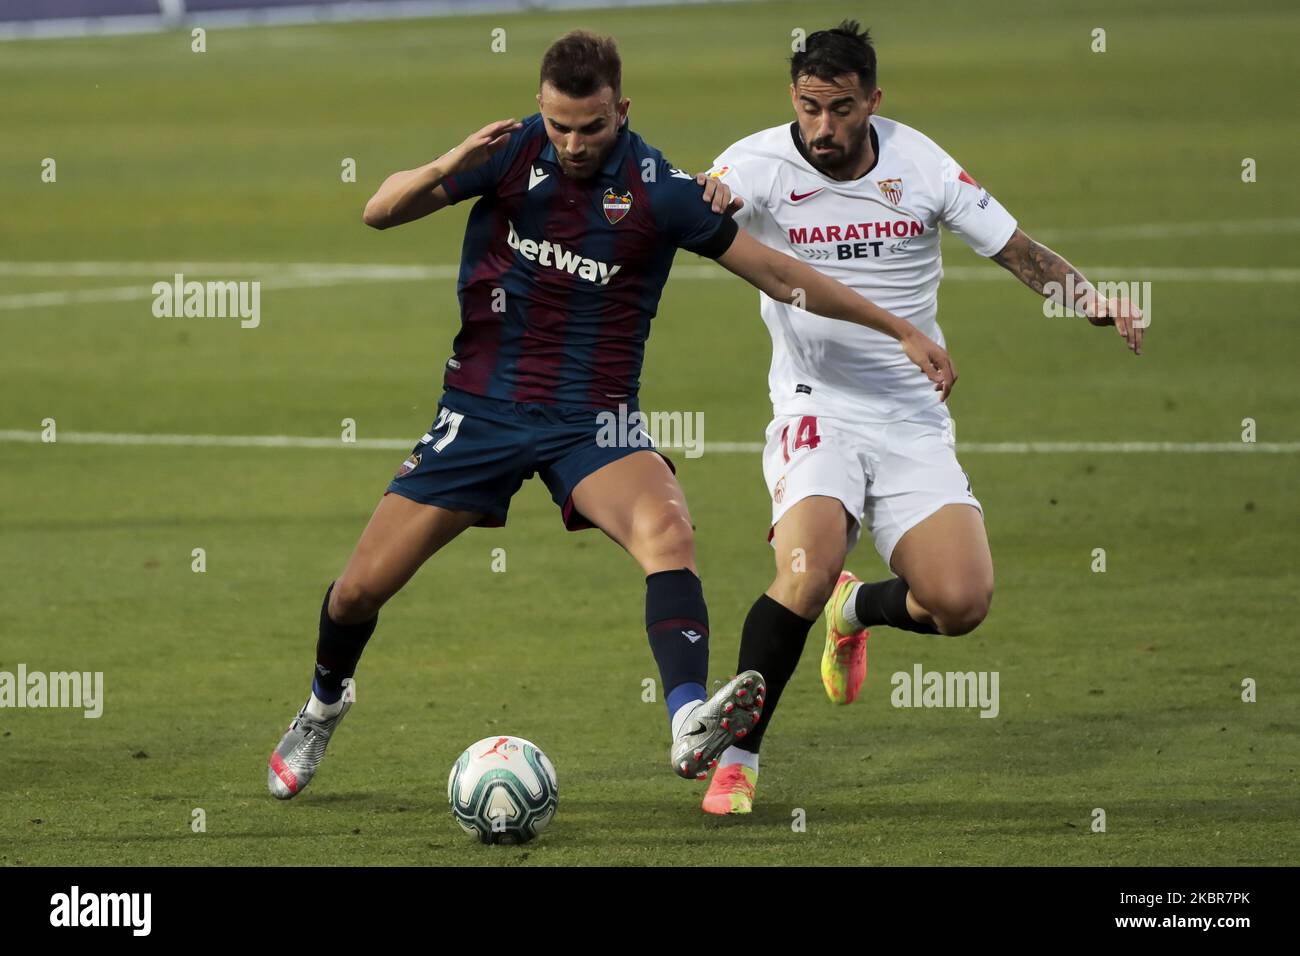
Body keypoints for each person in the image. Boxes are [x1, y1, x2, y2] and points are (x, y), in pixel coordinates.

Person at [266, 29, 956, 801]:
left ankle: (691, 717)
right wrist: (448, 162)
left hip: (594, 422)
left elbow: (780, 275)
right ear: (540, 109)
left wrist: (898, 328)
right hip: (481, 410)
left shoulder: (660, 189)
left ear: (620, 110)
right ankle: (325, 703)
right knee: (359, 591)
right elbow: (378, 212)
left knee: (670, 534)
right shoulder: (507, 152)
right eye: (559, 126)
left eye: (591, 127)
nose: (572, 143)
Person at [697, 20, 1144, 815]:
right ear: (791, 100)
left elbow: (1015, 249)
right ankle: (739, 757)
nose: (823, 129)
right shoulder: (757, 162)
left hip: (911, 417)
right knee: (802, 570)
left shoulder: (922, 165)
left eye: (840, 109)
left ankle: (856, 607)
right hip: (814, 407)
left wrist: (1093, 302)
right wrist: (716, 194)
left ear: (874, 99)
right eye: (808, 109)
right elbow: (713, 193)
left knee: (961, 602)